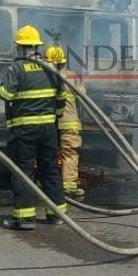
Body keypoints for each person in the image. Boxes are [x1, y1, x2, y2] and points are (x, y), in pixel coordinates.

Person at [0, 25, 66, 230]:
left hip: (24, 130)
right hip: (48, 129)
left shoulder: (16, 69)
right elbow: (61, 98)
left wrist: (1, 87)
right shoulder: (51, 67)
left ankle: (25, 218)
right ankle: (56, 215)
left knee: (23, 171)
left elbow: (6, 95)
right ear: (37, 46)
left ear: (20, 48)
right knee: (50, 170)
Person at [46, 44, 87, 199]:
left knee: (46, 154)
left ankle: (45, 184)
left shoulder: (44, 76)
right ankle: (68, 187)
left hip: (47, 123)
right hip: (69, 123)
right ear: (63, 61)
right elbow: (83, 98)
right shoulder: (71, 77)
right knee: (69, 154)